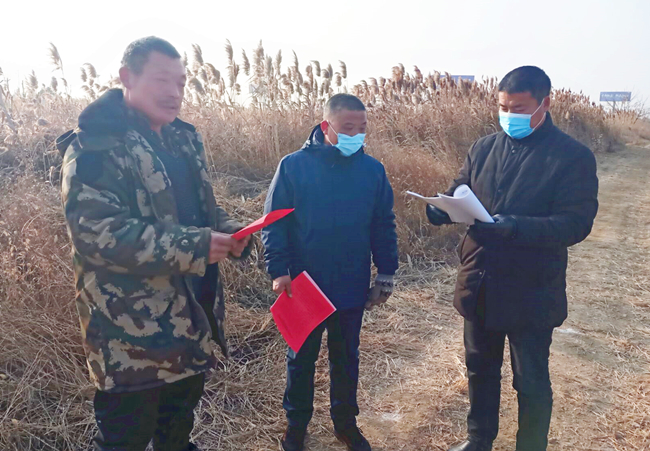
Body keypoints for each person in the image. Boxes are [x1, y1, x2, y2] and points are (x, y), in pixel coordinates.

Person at [56, 36, 252, 451]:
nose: (174, 92)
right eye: (162, 80)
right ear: (127, 77)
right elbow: (98, 235)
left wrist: (231, 231)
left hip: (189, 322)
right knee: (125, 440)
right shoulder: (96, 146)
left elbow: (197, 209)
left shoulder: (182, 140)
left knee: (177, 434)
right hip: (130, 337)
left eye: (181, 82)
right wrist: (196, 246)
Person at [426, 66, 599, 451]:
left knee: (531, 380)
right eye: (503, 107)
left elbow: (576, 223)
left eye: (518, 108)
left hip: (531, 288)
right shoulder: (483, 148)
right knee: (479, 368)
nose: (509, 116)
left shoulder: (572, 157)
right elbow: (460, 188)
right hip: (480, 280)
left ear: (544, 104)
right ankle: (478, 439)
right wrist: (443, 207)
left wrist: (516, 227)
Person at [262, 94, 399, 451]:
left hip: (351, 280)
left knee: (346, 357)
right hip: (304, 283)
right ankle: (296, 426)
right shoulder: (293, 166)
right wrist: (278, 269)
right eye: (348, 128)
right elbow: (274, 223)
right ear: (326, 126)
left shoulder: (372, 171)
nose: (356, 135)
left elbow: (383, 224)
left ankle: (345, 424)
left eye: (362, 128)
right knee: (301, 358)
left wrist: (386, 273)